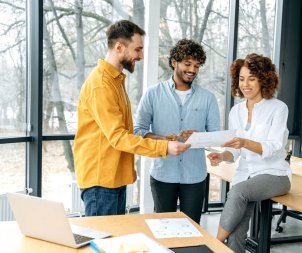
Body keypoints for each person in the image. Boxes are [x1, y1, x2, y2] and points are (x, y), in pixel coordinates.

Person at [74, 20, 190, 217]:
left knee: (114, 240)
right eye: (137, 49)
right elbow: (118, 137)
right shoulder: (101, 85)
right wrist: (164, 148)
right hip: (100, 181)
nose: (141, 56)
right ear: (119, 47)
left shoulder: (115, 81)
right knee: (104, 244)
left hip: (114, 178)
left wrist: (160, 140)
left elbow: (124, 132)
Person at [207, 53, 291, 252]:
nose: (245, 84)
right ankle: (222, 246)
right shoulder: (236, 111)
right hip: (246, 175)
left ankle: (212, 245)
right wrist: (222, 155)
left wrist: (244, 142)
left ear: (264, 79)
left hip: (274, 174)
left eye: (251, 78)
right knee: (236, 235)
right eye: (242, 78)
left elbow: (274, 146)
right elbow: (234, 152)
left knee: (237, 192)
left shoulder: (278, 108)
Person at [134, 39, 220, 224]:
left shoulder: (208, 98)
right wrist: (163, 140)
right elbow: (138, 130)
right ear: (174, 62)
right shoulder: (152, 94)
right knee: (164, 228)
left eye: (197, 66)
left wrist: (197, 137)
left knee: (193, 230)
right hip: (163, 174)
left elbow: (215, 135)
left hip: (195, 177)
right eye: (188, 64)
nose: (193, 70)